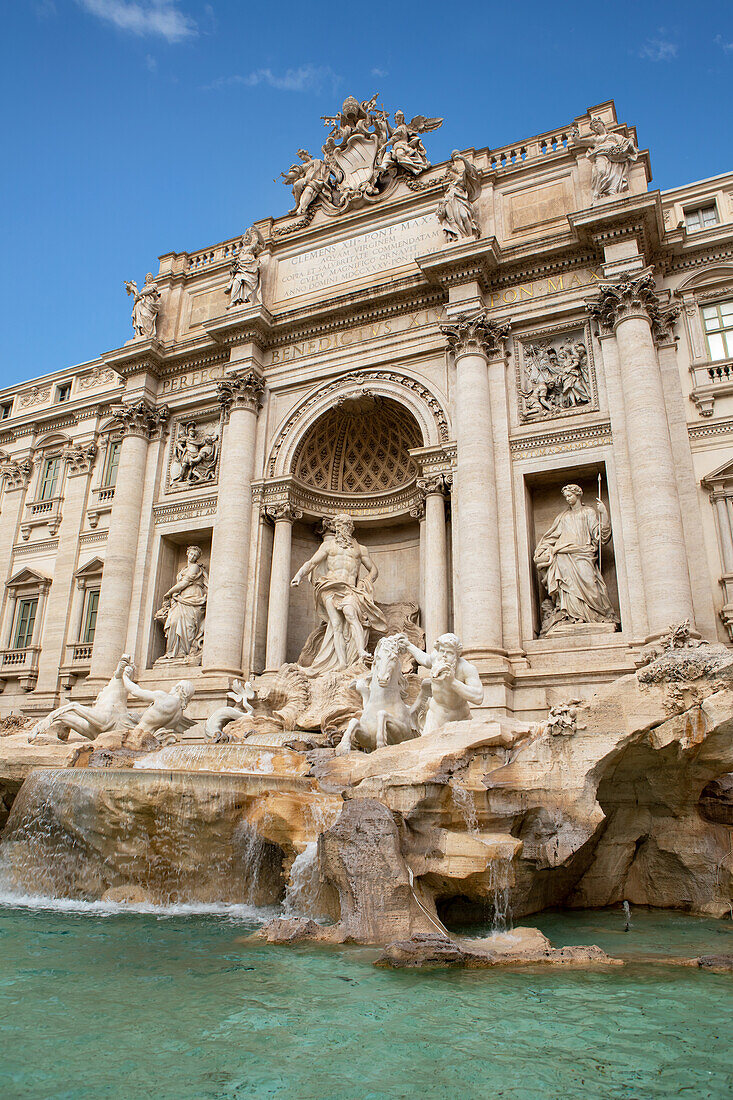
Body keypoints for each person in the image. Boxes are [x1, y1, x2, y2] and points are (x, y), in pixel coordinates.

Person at [291, 513, 387, 671]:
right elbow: (312, 562)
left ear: (350, 527)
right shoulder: (328, 546)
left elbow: (373, 570)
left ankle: (361, 651)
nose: (342, 529)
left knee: (352, 616)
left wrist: (365, 582)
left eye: (345, 526)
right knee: (336, 625)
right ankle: (342, 662)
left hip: (349, 589)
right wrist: (298, 575)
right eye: (340, 526)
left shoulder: (360, 549)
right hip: (329, 586)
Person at [534, 484, 618, 633]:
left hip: (583, 553)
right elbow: (551, 537)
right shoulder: (563, 517)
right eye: (566, 496)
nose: (568, 499)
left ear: (578, 495)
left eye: (570, 495)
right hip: (563, 555)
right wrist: (541, 550)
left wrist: (604, 514)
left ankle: (595, 615)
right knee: (568, 587)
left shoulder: (588, 512)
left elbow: (600, 536)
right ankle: (571, 617)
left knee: (590, 583)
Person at [397, 632, 483, 736]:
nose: (444, 656)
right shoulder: (436, 658)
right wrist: (408, 645)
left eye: (450, 653)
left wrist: (452, 682)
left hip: (459, 719)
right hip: (435, 717)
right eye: (442, 651)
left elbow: (478, 697)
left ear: (457, 655)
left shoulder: (466, 669)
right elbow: (424, 659)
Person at [155, 546, 208, 660]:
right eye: (191, 554)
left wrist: (169, 593)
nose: (192, 557)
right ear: (187, 554)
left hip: (193, 596)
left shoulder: (194, 567)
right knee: (174, 621)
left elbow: (185, 583)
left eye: (195, 556)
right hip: (181, 598)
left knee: (189, 625)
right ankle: (172, 652)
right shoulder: (183, 569)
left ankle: (183, 652)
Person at [437, 151, 481, 241]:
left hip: (461, 202)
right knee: (452, 221)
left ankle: (469, 237)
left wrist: (463, 158)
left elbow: (469, 170)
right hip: (451, 205)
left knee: (464, 216)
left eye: (449, 173)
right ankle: (458, 236)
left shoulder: (461, 180)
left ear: (454, 172)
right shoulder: (450, 185)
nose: (448, 175)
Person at [126, 273, 160, 338]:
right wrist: (135, 294)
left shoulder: (154, 285)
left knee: (146, 316)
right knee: (141, 316)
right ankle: (140, 332)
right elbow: (138, 297)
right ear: (146, 279)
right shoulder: (143, 288)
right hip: (142, 303)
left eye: (150, 277)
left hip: (149, 303)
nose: (149, 278)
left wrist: (140, 294)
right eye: (148, 277)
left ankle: (148, 333)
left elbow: (150, 290)